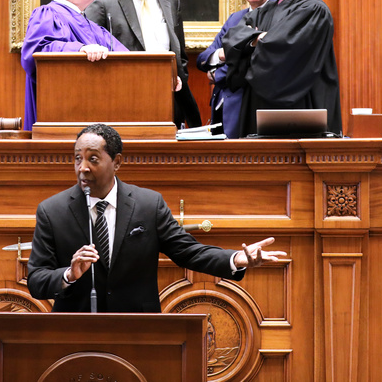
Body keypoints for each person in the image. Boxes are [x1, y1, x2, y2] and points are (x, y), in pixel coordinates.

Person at [27, 123, 287, 313]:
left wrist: (235, 259)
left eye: (93, 159)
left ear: (116, 162)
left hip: (141, 333)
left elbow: (188, 252)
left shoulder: (148, 205)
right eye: (77, 159)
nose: (82, 167)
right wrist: (69, 275)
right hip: (73, 332)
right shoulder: (52, 211)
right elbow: (36, 280)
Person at [84, 0, 202, 129]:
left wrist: (176, 78)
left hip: (169, 98)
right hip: (125, 98)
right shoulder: (102, 1)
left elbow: (179, 53)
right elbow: (93, 53)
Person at [223, 0, 342, 136]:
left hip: (297, 116)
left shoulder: (312, 10)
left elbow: (278, 54)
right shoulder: (267, 9)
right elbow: (232, 39)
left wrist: (252, 44)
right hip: (258, 113)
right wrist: (257, 40)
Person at [22, 0, 128, 130]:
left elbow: (129, 60)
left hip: (97, 121)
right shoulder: (47, 14)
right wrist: (79, 49)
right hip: (60, 123)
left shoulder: (93, 28)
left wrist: (160, 75)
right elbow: (36, 52)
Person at [196, 0, 272, 138]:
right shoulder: (235, 18)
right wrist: (222, 55)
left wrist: (217, 74)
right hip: (222, 112)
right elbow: (203, 59)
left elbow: (256, 64)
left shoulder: (279, 15)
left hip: (253, 114)